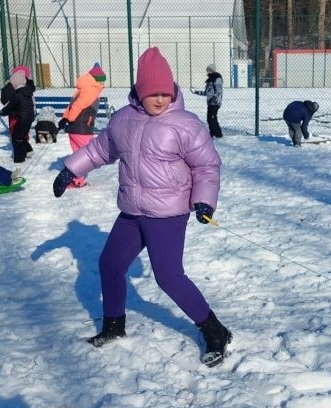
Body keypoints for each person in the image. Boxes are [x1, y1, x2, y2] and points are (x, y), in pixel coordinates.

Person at [51, 47, 232, 368]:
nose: (160, 99)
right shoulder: (124, 120)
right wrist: (71, 169)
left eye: (165, 93)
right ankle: (113, 325)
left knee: (168, 276)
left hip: (168, 214)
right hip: (133, 211)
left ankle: (215, 330)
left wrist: (204, 200)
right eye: (152, 93)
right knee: (109, 264)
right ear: (140, 91)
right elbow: (99, 150)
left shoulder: (185, 125)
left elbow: (206, 167)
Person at [57, 63, 106, 187]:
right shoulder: (91, 90)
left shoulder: (81, 90)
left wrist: (65, 118)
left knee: (78, 155)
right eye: (102, 81)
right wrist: (70, 119)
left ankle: (75, 179)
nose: (103, 84)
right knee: (86, 156)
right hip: (82, 128)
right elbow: (78, 106)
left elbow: (71, 106)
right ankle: (73, 178)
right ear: (98, 80)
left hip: (75, 128)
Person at [0, 70, 35, 164]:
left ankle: (19, 158)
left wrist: (3, 112)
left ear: (16, 84)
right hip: (29, 118)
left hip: (21, 118)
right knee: (22, 136)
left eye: (13, 84)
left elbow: (10, 106)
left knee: (16, 138)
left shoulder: (17, 95)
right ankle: (28, 151)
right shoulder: (28, 93)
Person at [191, 63, 224, 138]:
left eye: (208, 70)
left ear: (211, 70)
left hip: (215, 103)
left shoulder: (217, 78)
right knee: (209, 119)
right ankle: (212, 133)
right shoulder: (210, 79)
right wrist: (196, 92)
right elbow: (207, 92)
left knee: (212, 118)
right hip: (210, 103)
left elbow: (218, 91)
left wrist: (214, 98)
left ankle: (218, 134)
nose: (207, 72)